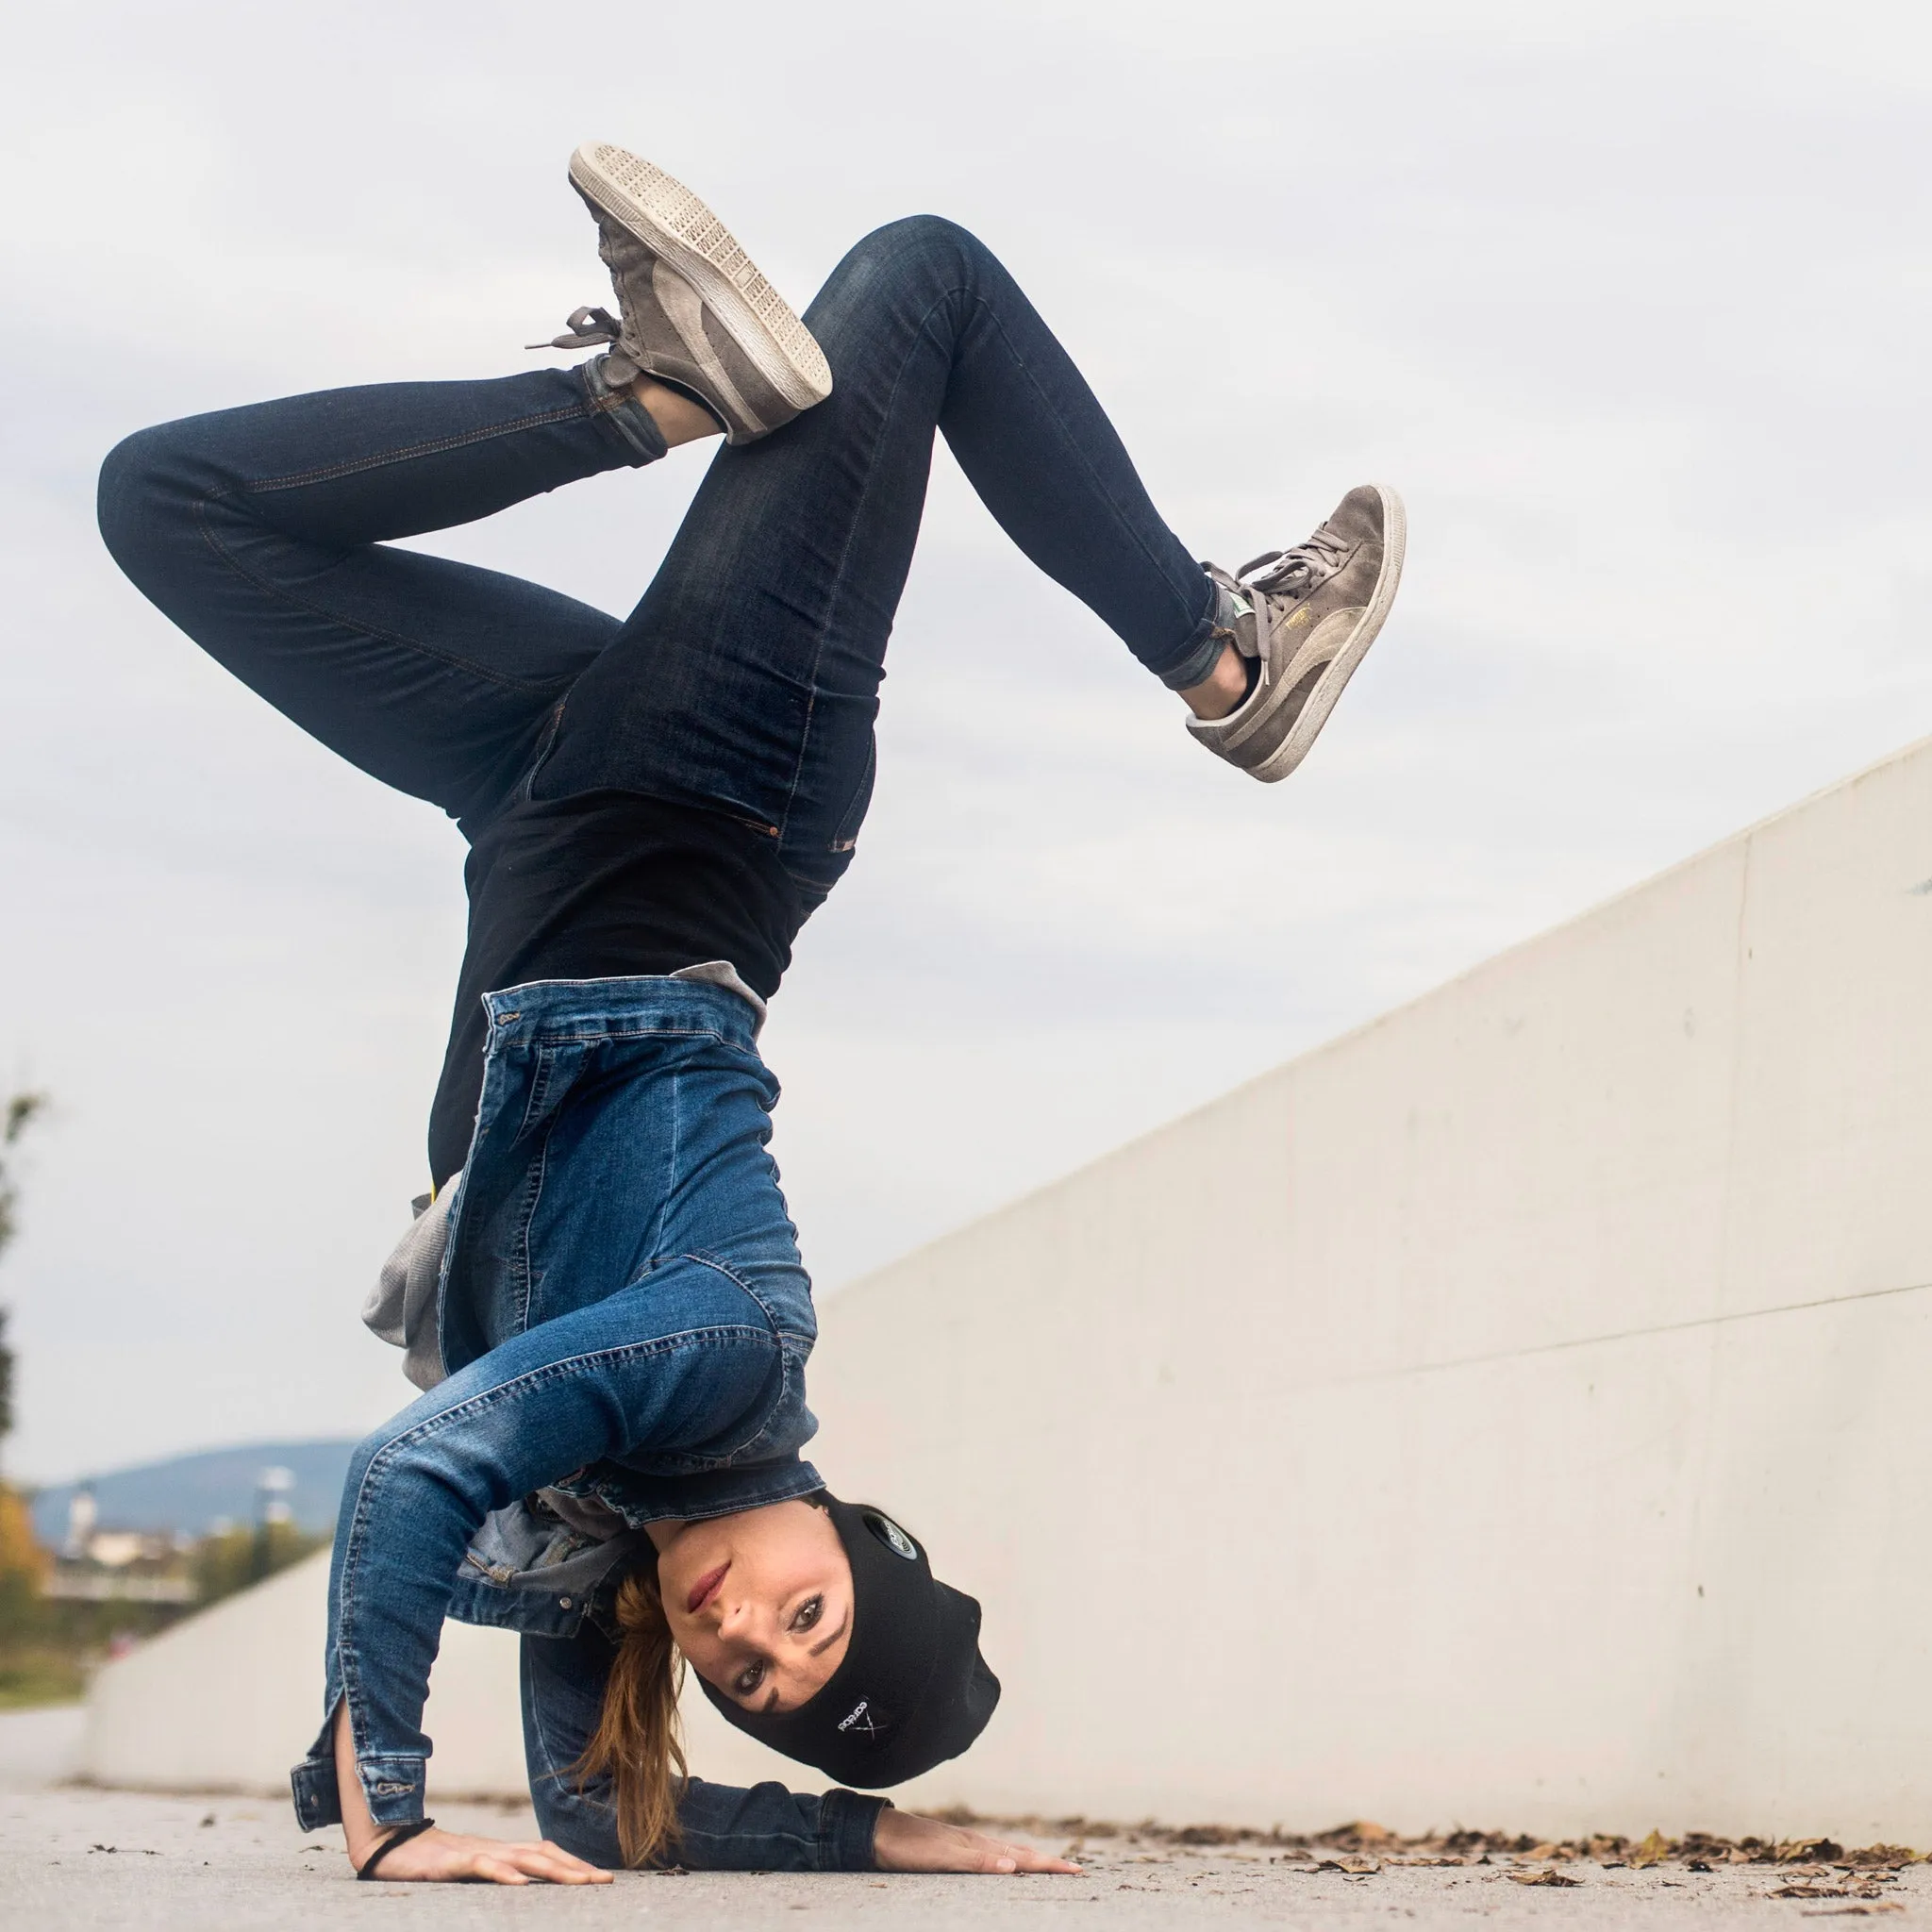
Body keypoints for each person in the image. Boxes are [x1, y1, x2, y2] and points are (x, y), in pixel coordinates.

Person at [95, 142, 1406, 1886]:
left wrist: (881, 1837)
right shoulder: (714, 1353)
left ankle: (645, 392)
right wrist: (386, 1810)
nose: (747, 1635)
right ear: (851, 1527)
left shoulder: (601, 1518)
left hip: (544, 807)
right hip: (712, 804)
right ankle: (1229, 661)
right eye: (812, 1614)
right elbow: (416, 1464)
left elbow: (602, 1810)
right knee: (921, 278)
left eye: (757, 1679)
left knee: (166, 503)